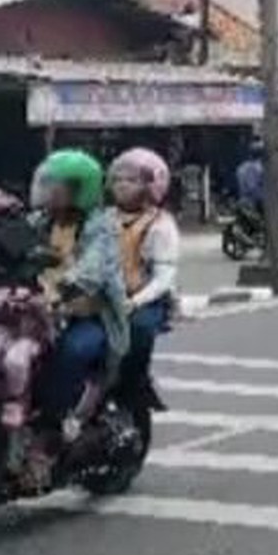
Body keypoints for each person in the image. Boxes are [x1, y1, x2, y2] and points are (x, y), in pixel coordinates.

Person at [29, 149, 129, 439]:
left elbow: (92, 270)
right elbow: (16, 247)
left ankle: (59, 421)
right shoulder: (40, 222)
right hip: (41, 313)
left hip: (90, 317)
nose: (49, 193)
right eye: (46, 185)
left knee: (70, 352)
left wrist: (63, 289)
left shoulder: (101, 227)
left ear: (79, 190)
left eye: (55, 187)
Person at [109, 148, 179, 390]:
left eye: (131, 180)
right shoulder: (104, 218)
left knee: (137, 332)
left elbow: (164, 277)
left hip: (146, 300)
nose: (122, 185)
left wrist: (135, 302)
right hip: (105, 296)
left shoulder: (160, 224)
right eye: (117, 179)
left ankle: (132, 388)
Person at [235, 141, 267, 231]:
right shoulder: (258, 168)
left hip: (243, 198)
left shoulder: (241, 167)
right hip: (254, 200)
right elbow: (254, 188)